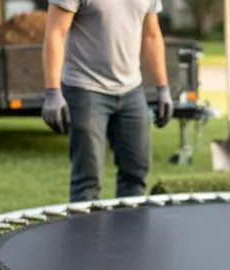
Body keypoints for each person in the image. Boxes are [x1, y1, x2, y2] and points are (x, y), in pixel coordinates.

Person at [41, 0, 175, 203]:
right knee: (88, 178)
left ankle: (130, 232)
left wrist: (163, 88)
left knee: (136, 173)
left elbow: (152, 35)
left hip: (131, 90)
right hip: (85, 89)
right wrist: (53, 92)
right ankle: (86, 234)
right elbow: (55, 34)